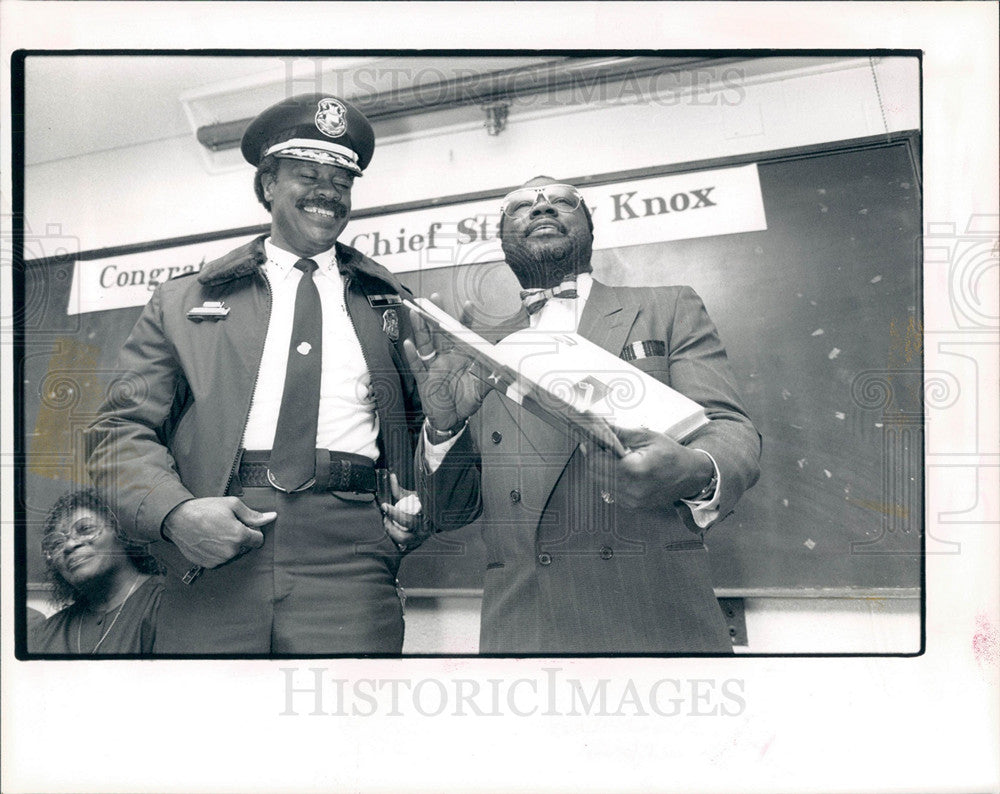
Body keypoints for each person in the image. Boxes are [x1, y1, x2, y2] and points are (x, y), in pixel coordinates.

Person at [86, 94, 481, 654]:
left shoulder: (392, 305)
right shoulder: (181, 302)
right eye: (307, 174)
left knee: (345, 729)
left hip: (352, 556)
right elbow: (116, 431)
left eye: (342, 181)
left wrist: (441, 434)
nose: (328, 191)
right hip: (215, 546)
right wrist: (175, 515)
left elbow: (436, 480)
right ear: (268, 185)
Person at [466, 176, 762, 654]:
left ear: (589, 226)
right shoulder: (478, 348)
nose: (543, 208)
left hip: (651, 609)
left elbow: (729, 428)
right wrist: (438, 431)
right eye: (522, 205)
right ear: (502, 239)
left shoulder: (668, 306)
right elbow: (451, 505)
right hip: (523, 625)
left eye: (562, 201)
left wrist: (694, 470)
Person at [29, 489, 163, 655]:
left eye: (85, 529)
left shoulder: (169, 602)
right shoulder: (44, 635)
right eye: (56, 544)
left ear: (122, 531)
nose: (69, 546)